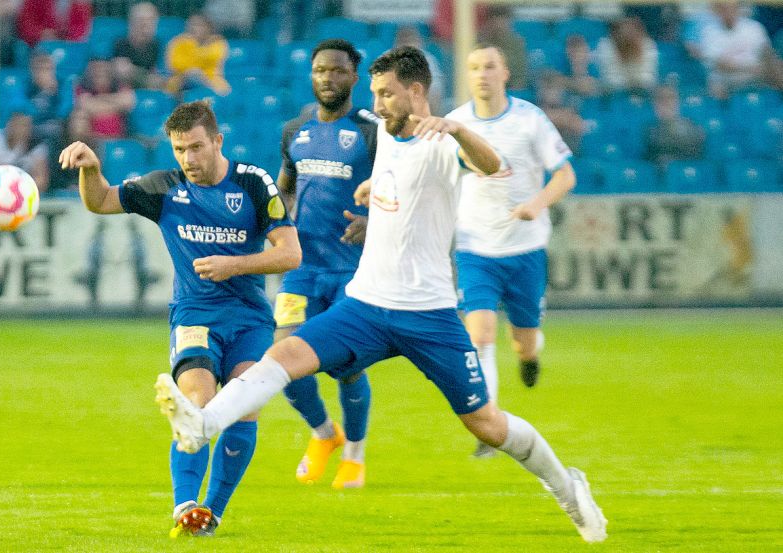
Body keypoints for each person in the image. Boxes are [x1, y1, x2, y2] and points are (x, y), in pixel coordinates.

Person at [154, 46, 607, 544]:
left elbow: (491, 162)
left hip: (428, 314)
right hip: (366, 305)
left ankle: (568, 488)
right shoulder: (386, 136)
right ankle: (203, 424)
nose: (376, 102)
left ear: (417, 92)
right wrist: (374, 188)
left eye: (386, 93)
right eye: (374, 92)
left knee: (487, 424)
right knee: (282, 356)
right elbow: (398, 177)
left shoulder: (442, 136)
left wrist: (457, 129)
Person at [58, 100, 301, 538]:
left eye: (196, 147)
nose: (188, 159)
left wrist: (234, 265)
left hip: (249, 319)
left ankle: (213, 511)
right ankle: (185, 504)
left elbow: (290, 253)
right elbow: (101, 202)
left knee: (245, 412)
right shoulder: (163, 187)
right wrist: (91, 169)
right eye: (178, 149)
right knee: (196, 403)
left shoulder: (252, 182)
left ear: (217, 141)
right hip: (194, 315)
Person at [445, 45, 576, 457]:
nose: (481, 74)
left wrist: (534, 205)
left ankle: (530, 355)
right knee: (479, 333)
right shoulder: (455, 123)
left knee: (523, 341)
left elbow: (565, 175)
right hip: (474, 247)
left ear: (505, 73)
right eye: (474, 68)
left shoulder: (529, 119)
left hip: (526, 248)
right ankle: (489, 425)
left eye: (489, 67)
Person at [275, 39, 378, 489]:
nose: (328, 79)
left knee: (346, 367)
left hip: (352, 271)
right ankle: (323, 434)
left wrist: (373, 220)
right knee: (281, 361)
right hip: (301, 267)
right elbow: (284, 190)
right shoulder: (294, 130)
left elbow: (404, 188)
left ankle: (355, 454)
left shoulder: (373, 131)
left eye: (338, 71)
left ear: (354, 78)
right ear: (311, 75)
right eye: (320, 70)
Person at [164, 13, 230, 96]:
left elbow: (212, 59)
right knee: (191, 74)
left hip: (210, 82)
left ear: (208, 27)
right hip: (180, 82)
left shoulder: (218, 42)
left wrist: (191, 55)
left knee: (195, 74)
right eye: (191, 24)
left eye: (198, 25)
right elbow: (174, 65)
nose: (194, 28)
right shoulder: (177, 42)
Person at [644, 86, 706, 168]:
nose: (666, 103)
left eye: (670, 98)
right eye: (661, 99)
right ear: (654, 105)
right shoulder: (649, 130)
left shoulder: (693, 128)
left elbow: (696, 154)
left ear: (678, 102)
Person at [594, 16, 658, 94]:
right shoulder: (606, 45)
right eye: (625, 29)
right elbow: (610, 79)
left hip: (642, 93)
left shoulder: (648, 45)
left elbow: (647, 79)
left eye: (632, 29)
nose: (628, 33)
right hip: (614, 94)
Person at [112, 2, 163, 90]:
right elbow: (121, 71)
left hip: (149, 89)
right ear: (131, 22)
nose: (145, 24)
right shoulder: (121, 43)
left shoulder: (156, 44)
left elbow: (160, 77)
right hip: (123, 91)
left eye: (150, 20)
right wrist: (147, 77)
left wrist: (133, 71)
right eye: (141, 20)